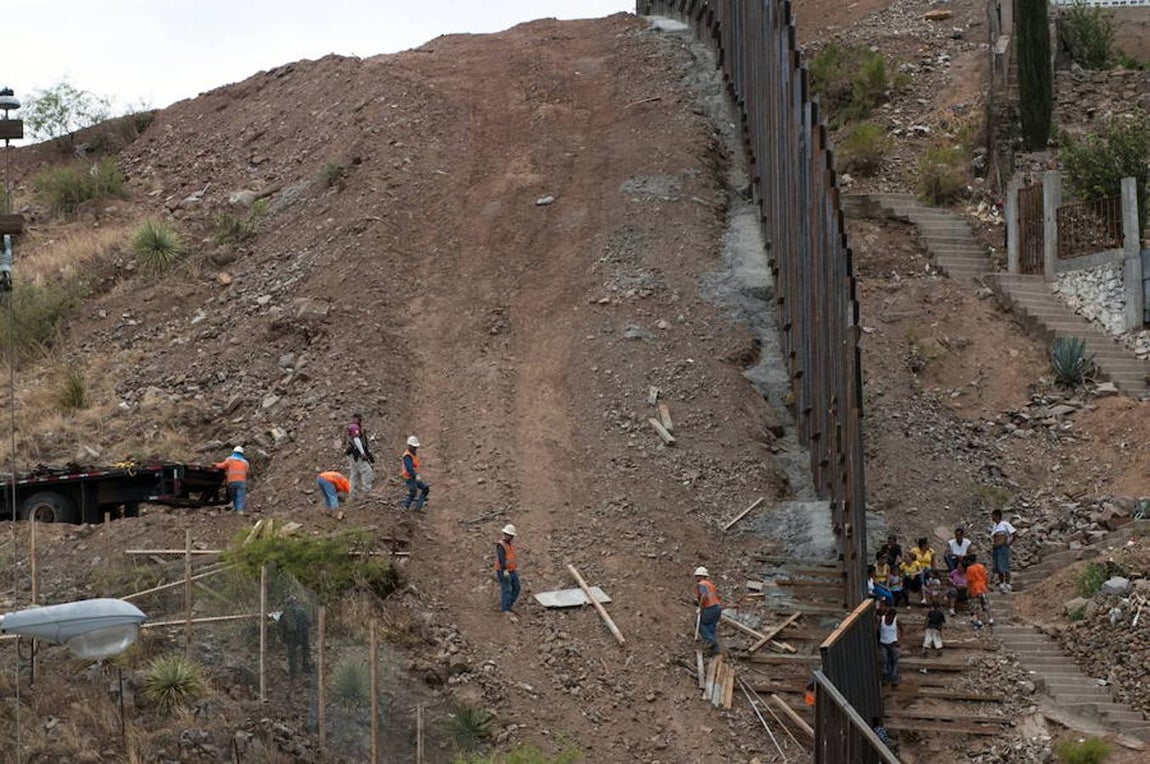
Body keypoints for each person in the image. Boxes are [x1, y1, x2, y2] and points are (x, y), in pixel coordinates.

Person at [277, 595, 312, 677]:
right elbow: (309, 622)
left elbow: (281, 627)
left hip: (292, 636)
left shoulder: (285, 612)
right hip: (303, 634)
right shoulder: (302, 610)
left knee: (291, 653)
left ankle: (293, 673)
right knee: (305, 650)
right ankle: (306, 667)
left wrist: (282, 638)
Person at [694, 566, 723, 656]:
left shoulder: (702, 584)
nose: (696, 578)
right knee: (710, 628)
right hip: (717, 608)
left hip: (709, 608)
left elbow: (704, 596)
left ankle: (711, 641)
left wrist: (700, 607)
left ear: (701, 576)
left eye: (697, 576)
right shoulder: (711, 585)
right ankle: (715, 650)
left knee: (699, 624)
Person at [344, 413, 375, 497]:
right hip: (356, 454)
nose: (359, 421)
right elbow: (356, 439)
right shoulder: (354, 427)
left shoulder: (352, 427)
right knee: (367, 471)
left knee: (355, 474)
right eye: (358, 419)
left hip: (351, 454)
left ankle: (352, 494)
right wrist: (363, 453)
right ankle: (367, 491)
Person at [213, 446, 250, 514]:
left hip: (231, 482)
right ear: (242, 454)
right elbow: (247, 472)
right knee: (240, 496)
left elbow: (222, 466)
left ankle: (236, 508)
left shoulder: (229, 460)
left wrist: (215, 464)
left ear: (233, 452)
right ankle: (240, 511)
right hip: (242, 482)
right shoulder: (245, 463)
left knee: (234, 496)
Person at [495, 524, 521, 613]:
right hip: (504, 571)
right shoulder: (501, 545)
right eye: (510, 535)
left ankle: (508, 605)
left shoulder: (508, 544)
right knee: (506, 589)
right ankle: (505, 609)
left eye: (512, 536)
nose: (511, 537)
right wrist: (505, 570)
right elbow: (502, 560)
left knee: (516, 588)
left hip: (511, 570)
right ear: (505, 534)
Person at [990, 509, 1017, 592]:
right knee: (998, 566)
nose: (992, 517)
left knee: (1004, 565)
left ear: (997, 516)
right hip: (996, 547)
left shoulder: (1005, 524)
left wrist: (1009, 542)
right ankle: (1001, 583)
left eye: (993, 515)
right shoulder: (995, 526)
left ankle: (1007, 583)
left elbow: (1015, 533)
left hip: (1002, 547)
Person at [401, 435, 430, 511]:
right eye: (414, 447)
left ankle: (418, 507)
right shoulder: (407, 456)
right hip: (409, 477)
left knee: (425, 489)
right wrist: (416, 475)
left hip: (414, 476)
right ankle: (405, 506)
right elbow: (409, 468)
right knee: (413, 492)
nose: (415, 448)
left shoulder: (412, 454)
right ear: (409, 446)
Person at [964, 553, 993, 627]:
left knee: (977, 606)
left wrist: (968, 591)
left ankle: (979, 620)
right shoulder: (981, 567)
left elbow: (969, 581)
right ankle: (990, 618)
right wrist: (986, 586)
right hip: (982, 587)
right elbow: (986, 578)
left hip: (974, 589)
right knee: (985, 604)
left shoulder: (969, 569)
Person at [877, 603, 900, 687]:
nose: (891, 619)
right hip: (883, 644)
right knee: (884, 661)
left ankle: (894, 679)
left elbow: (902, 629)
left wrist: (900, 640)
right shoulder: (881, 620)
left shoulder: (896, 620)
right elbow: (876, 629)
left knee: (895, 661)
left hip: (893, 644)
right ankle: (885, 678)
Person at [910, 537, 936, 602]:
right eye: (928, 543)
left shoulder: (931, 551)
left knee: (926, 572)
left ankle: (927, 589)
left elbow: (933, 562)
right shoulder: (914, 551)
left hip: (927, 569)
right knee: (920, 573)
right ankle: (923, 594)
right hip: (917, 569)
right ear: (924, 545)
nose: (929, 545)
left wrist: (934, 570)